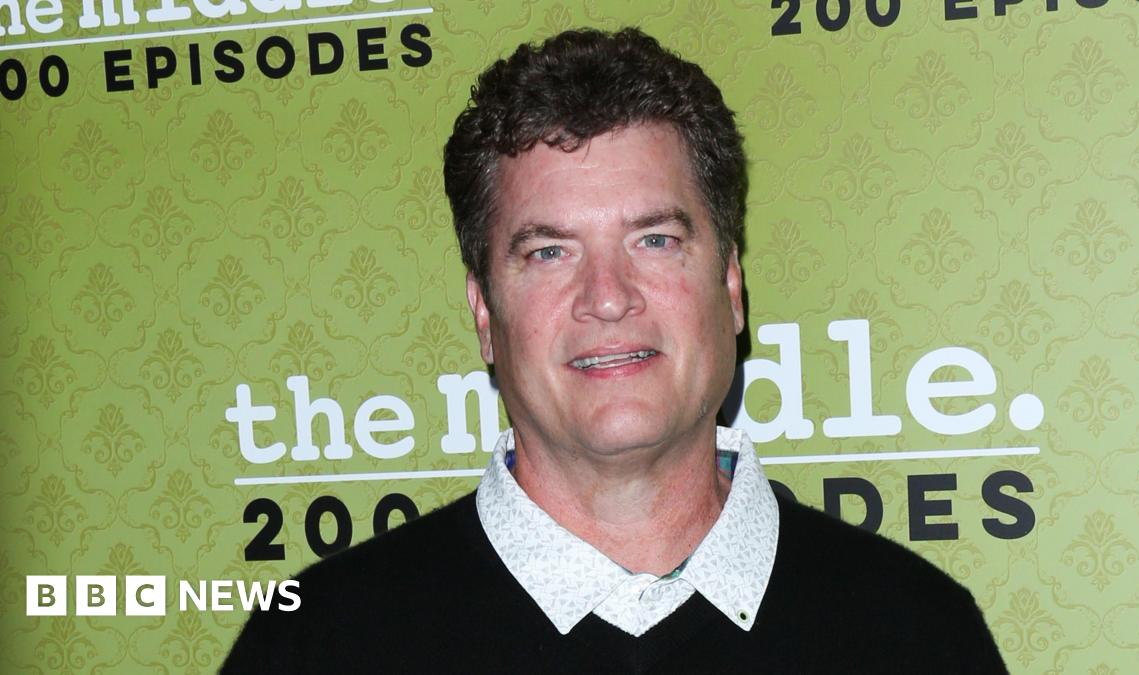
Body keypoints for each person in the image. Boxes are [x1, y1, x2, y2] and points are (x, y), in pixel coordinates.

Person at [223, 27, 1008, 673]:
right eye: (549, 252)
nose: (607, 296)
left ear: (731, 286)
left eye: (655, 239)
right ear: (484, 313)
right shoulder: (315, 643)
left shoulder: (918, 632)